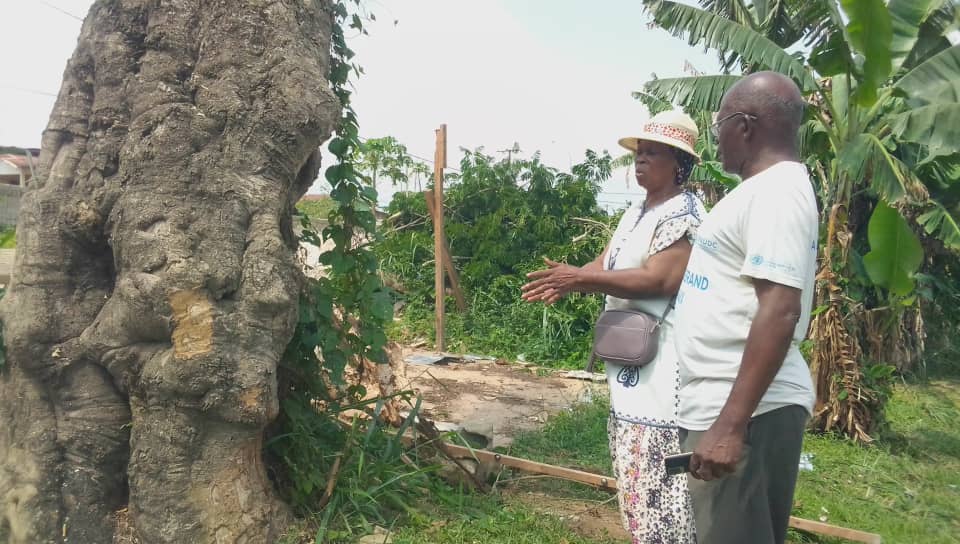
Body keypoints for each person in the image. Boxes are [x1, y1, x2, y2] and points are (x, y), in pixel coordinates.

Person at [521, 110, 706, 544]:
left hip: (666, 367)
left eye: (652, 153)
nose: (640, 161)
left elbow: (662, 278)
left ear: (679, 162)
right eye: (638, 154)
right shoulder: (636, 212)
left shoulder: (683, 213)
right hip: (631, 362)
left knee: (660, 471)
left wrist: (581, 278)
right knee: (633, 464)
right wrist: (567, 280)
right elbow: (606, 265)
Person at [672, 71, 819, 544]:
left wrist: (730, 426)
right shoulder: (758, 191)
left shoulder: (778, 193)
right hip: (725, 405)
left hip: (747, 414)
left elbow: (780, 309)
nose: (716, 139)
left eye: (718, 126)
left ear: (746, 125)